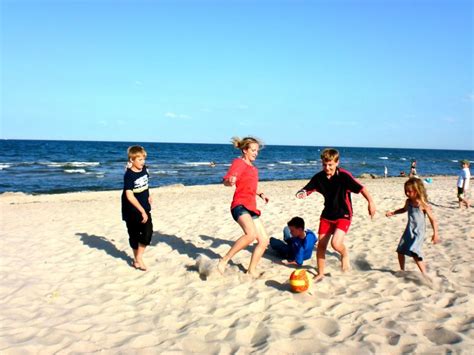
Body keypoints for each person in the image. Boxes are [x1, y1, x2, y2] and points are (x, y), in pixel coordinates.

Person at [296, 148, 376, 282]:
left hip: (343, 214)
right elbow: (308, 188)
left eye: (330, 164)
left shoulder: (344, 175)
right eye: (324, 164)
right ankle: (320, 273)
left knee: (335, 244)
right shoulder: (319, 177)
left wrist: (371, 202)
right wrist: (302, 192)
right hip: (327, 215)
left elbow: (361, 188)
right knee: (321, 245)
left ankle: (344, 254)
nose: (327, 167)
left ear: (337, 162)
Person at [217, 137, 270, 277]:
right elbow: (226, 181)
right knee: (251, 235)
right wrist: (230, 181)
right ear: (245, 150)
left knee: (264, 241)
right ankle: (224, 260)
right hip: (239, 205)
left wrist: (261, 194)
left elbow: (251, 186)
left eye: (257, 151)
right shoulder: (238, 162)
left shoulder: (253, 168)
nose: (256, 153)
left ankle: (251, 270)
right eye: (253, 150)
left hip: (251, 207)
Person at [386, 177, 440, 274]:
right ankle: (402, 271)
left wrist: (435, 234)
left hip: (418, 232)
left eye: (409, 191)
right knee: (400, 251)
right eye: (406, 191)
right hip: (409, 230)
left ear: (417, 191)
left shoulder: (423, 204)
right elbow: (404, 209)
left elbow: (433, 220)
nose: (407, 193)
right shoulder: (409, 202)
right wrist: (393, 212)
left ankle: (424, 274)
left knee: (415, 253)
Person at [121, 146, 153, 271]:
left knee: (147, 234)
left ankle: (138, 258)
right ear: (132, 160)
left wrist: (149, 195)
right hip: (131, 209)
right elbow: (129, 196)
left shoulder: (144, 169)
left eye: (143, 159)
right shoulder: (129, 175)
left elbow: (145, 183)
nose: (142, 162)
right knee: (134, 235)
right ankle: (137, 260)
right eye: (139, 159)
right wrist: (142, 211)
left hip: (144, 206)